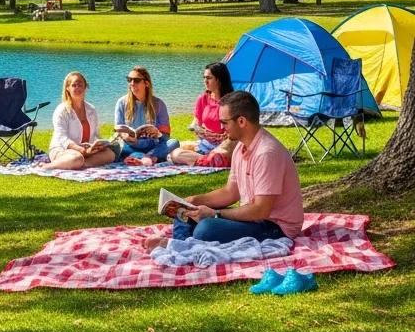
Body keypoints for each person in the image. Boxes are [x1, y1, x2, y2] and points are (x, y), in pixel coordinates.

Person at [149, 90, 304, 248]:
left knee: (206, 229)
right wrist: (195, 200)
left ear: (242, 121)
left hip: (275, 227)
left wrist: (215, 214)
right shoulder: (240, 147)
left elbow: (261, 210)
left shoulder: (266, 153)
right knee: (185, 211)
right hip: (254, 218)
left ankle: (184, 245)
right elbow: (231, 193)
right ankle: (180, 244)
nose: (222, 128)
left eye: (224, 122)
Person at [37, 71, 117, 170]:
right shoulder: (62, 110)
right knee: (77, 158)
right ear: (68, 88)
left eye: (80, 85)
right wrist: (79, 149)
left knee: (110, 154)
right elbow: (62, 137)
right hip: (63, 149)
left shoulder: (91, 109)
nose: (77, 88)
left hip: (86, 150)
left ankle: (83, 164)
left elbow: (95, 134)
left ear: (85, 87)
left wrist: (98, 146)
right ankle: (47, 166)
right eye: (74, 85)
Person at [169, 62, 236, 168]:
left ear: (219, 80)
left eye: (209, 78)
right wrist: (196, 128)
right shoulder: (203, 98)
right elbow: (196, 122)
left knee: (229, 148)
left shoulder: (231, 101)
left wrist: (222, 137)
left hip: (225, 145)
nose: (205, 81)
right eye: (204, 77)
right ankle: (209, 159)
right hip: (205, 144)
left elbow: (235, 130)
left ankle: (208, 159)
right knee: (174, 153)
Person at [112, 66, 179, 165]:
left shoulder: (158, 104)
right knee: (118, 146)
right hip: (130, 145)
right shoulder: (121, 102)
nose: (132, 83)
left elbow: (165, 135)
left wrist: (157, 133)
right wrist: (127, 137)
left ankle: (142, 157)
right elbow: (119, 129)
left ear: (146, 83)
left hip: (153, 145)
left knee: (174, 142)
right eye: (129, 80)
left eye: (136, 80)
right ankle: (150, 157)